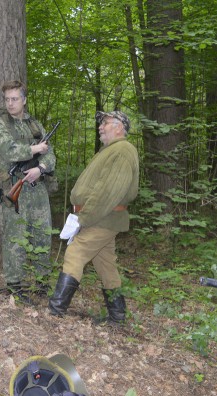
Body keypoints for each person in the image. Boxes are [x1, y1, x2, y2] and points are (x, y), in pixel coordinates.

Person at [49, 111, 139, 325]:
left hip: (102, 217)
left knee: (75, 253)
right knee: (106, 264)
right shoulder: (110, 151)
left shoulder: (123, 150)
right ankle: (117, 318)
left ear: (119, 127)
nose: (100, 126)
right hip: (103, 217)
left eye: (105, 123)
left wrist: (84, 218)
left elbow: (109, 191)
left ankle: (55, 311)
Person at [0, 80, 56, 304]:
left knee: (42, 235)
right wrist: (34, 149)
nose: (10, 103)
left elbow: (50, 155)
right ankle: (15, 286)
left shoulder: (35, 126)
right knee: (15, 237)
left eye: (15, 99)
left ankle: (41, 283)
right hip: (14, 186)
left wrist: (41, 168)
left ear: (24, 100)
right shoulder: (0, 124)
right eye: (7, 99)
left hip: (36, 188)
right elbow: (8, 150)